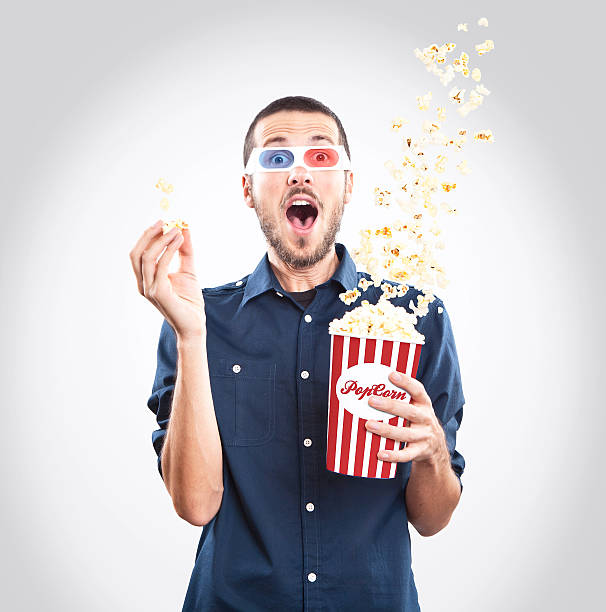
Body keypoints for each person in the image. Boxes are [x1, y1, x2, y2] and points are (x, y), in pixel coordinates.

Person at [129, 96, 466, 611]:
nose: (300, 172)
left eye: (321, 156)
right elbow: (195, 505)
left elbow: (433, 519)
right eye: (277, 158)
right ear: (248, 189)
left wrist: (433, 452)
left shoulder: (414, 319)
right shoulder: (200, 318)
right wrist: (191, 335)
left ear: (348, 185)